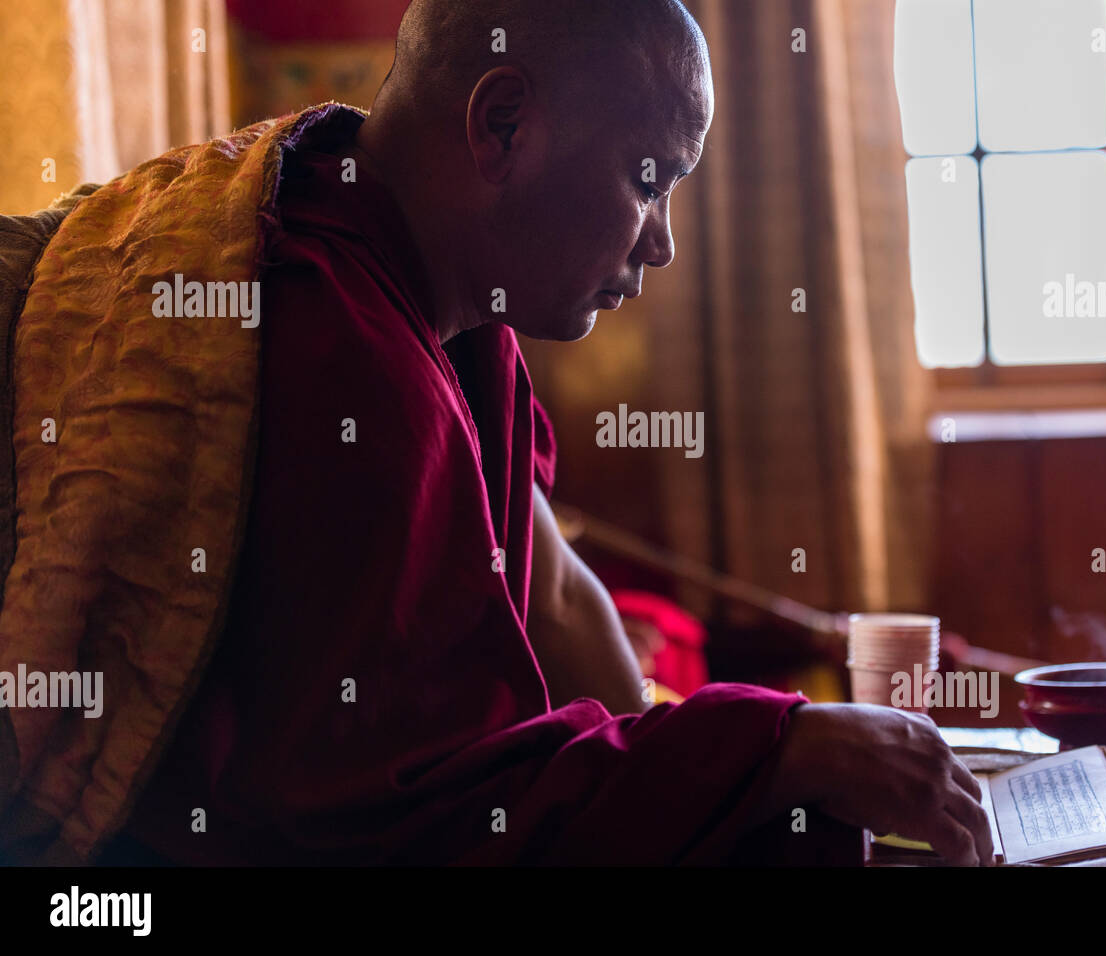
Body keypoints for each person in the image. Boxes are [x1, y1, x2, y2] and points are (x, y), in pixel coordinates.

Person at [11, 0, 994, 866]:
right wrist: (779, 746)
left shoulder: (446, 308)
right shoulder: (335, 357)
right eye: (649, 182)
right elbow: (411, 830)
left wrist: (698, 767)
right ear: (503, 125)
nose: (663, 241)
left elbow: (555, 588)